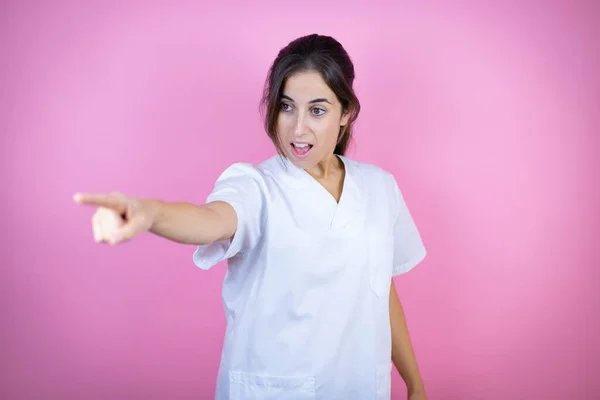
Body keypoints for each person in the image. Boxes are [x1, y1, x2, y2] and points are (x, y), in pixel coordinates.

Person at [74, 33, 428, 400]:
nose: (298, 128)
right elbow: (210, 218)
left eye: (317, 110)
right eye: (286, 107)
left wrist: (415, 383)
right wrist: (150, 213)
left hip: (360, 388)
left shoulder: (378, 187)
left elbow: (380, 288)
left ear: (346, 113)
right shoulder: (255, 186)